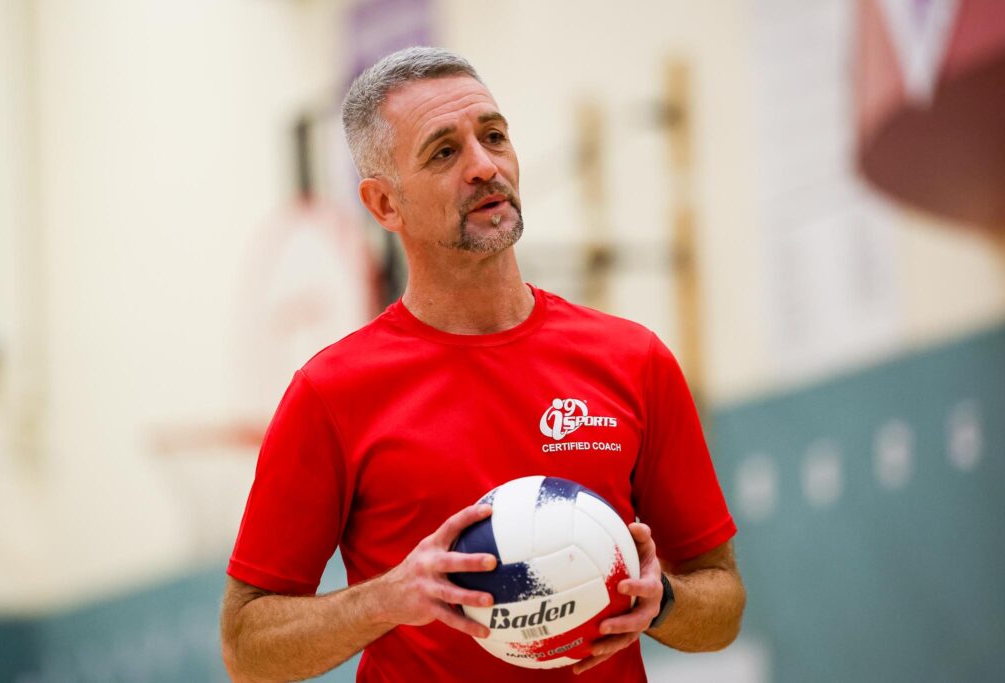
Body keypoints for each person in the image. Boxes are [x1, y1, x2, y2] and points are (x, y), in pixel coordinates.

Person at [220, 46, 745, 683]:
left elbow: (723, 604)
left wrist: (663, 601)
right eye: (444, 152)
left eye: (493, 136)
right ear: (385, 205)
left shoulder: (634, 360)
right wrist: (388, 598)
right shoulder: (331, 393)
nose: (484, 166)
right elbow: (246, 648)